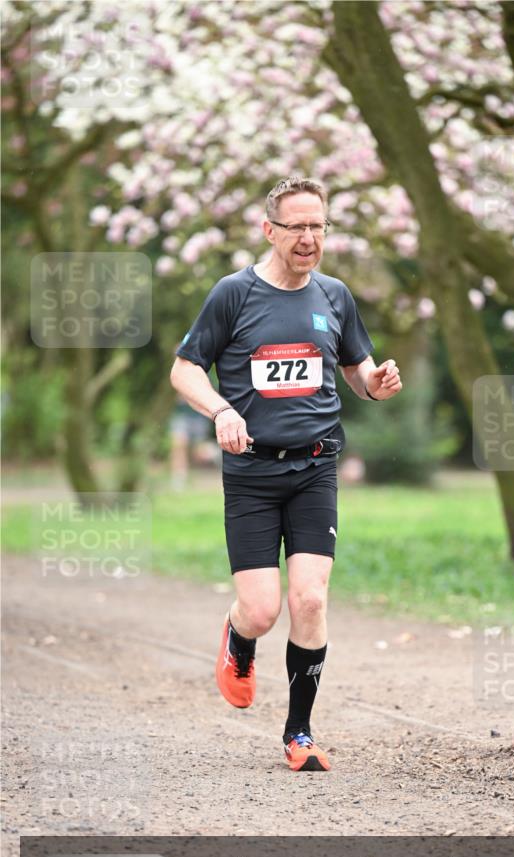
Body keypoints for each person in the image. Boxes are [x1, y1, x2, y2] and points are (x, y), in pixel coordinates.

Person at [170, 176, 402, 772]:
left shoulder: (335, 295)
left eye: (317, 226)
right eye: (296, 226)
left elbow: (357, 369)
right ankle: (238, 637)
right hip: (251, 472)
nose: (308, 237)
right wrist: (221, 411)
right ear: (269, 230)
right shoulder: (233, 294)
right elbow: (185, 369)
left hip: (315, 467)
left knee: (311, 599)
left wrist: (374, 384)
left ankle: (299, 732)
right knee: (261, 610)